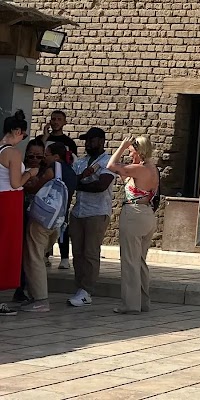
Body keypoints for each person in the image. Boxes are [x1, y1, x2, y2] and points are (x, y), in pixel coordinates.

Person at [20, 142, 77, 313]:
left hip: (42, 220)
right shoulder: (71, 172)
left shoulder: (53, 169)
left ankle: (40, 300)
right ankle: (35, 297)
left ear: (56, 157)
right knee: (38, 256)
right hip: (57, 222)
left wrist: (24, 180)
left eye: (47, 154)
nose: (44, 157)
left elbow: (34, 188)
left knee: (34, 258)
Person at [107, 135, 158, 314]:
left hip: (134, 214)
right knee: (140, 260)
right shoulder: (152, 169)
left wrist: (121, 146)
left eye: (131, 151)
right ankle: (143, 302)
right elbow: (128, 180)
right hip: (147, 214)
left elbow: (111, 166)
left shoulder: (139, 169)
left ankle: (130, 304)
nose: (129, 155)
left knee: (130, 260)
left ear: (139, 151)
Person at [68, 127, 114, 308]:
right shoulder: (80, 162)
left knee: (91, 253)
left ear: (101, 141)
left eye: (91, 140)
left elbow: (101, 186)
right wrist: (81, 180)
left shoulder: (108, 161)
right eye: (86, 140)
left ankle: (87, 290)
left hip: (97, 212)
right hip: (78, 211)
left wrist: (79, 183)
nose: (87, 144)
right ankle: (79, 287)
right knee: (77, 253)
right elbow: (70, 182)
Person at [0, 110, 38, 316]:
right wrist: (30, 173)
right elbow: (16, 183)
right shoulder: (12, 153)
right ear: (16, 131)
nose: (23, 138)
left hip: (3, 199)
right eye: (23, 134)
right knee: (6, 247)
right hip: (9, 201)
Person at [35, 109, 77, 269]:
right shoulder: (42, 139)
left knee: (61, 220)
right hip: (45, 185)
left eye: (59, 119)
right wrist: (44, 137)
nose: (55, 122)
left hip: (61, 186)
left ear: (64, 122)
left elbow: (72, 162)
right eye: (53, 119)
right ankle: (45, 254)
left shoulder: (69, 143)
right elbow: (36, 153)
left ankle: (64, 256)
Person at [13, 139, 46, 302]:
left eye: (39, 157)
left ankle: (24, 288)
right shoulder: (19, 168)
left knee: (31, 253)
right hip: (19, 213)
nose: (34, 159)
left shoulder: (46, 172)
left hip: (38, 217)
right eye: (31, 156)